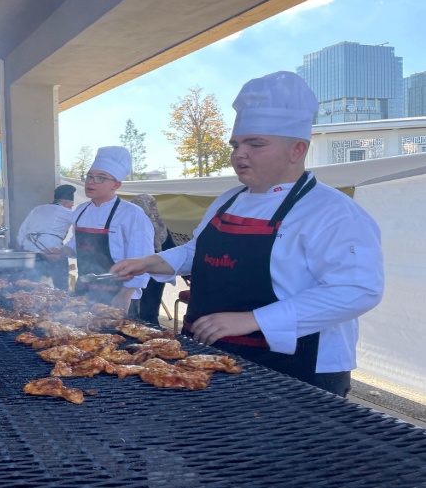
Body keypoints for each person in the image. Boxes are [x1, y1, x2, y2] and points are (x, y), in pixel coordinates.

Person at [111, 71, 384, 397]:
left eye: (256, 144)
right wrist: (150, 261)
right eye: (236, 144)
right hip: (211, 354)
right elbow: (200, 251)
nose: (240, 154)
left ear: (297, 150)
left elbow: (357, 289)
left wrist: (253, 320)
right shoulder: (229, 199)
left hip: (295, 367)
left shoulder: (333, 212)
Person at [45, 146, 154, 311]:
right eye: (89, 176)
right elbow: (78, 242)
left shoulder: (132, 214)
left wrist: (125, 294)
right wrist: (62, 251)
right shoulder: (81, 210)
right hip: (85, 290)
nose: (91, 181)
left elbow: (142, 259)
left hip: (119, 294)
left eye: (100, 178)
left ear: (116, 184)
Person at [16, 185, 76, 290]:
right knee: (61, 287)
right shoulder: (67, 212)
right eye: (71, 205)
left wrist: (24, 248)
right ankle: (62, 302)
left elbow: (22, 232)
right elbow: (80, 229)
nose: (71, 207)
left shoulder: (37, 209)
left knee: (30, 287)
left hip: (31, 253)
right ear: (66, 203)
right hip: (53, 253)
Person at [129, 194, 176, 323]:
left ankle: (150, 329)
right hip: (135, 272)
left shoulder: (161, 227)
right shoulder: (128, 223)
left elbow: (170, 250)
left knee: (150, 305)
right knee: (134, 306)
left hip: (154, 273)